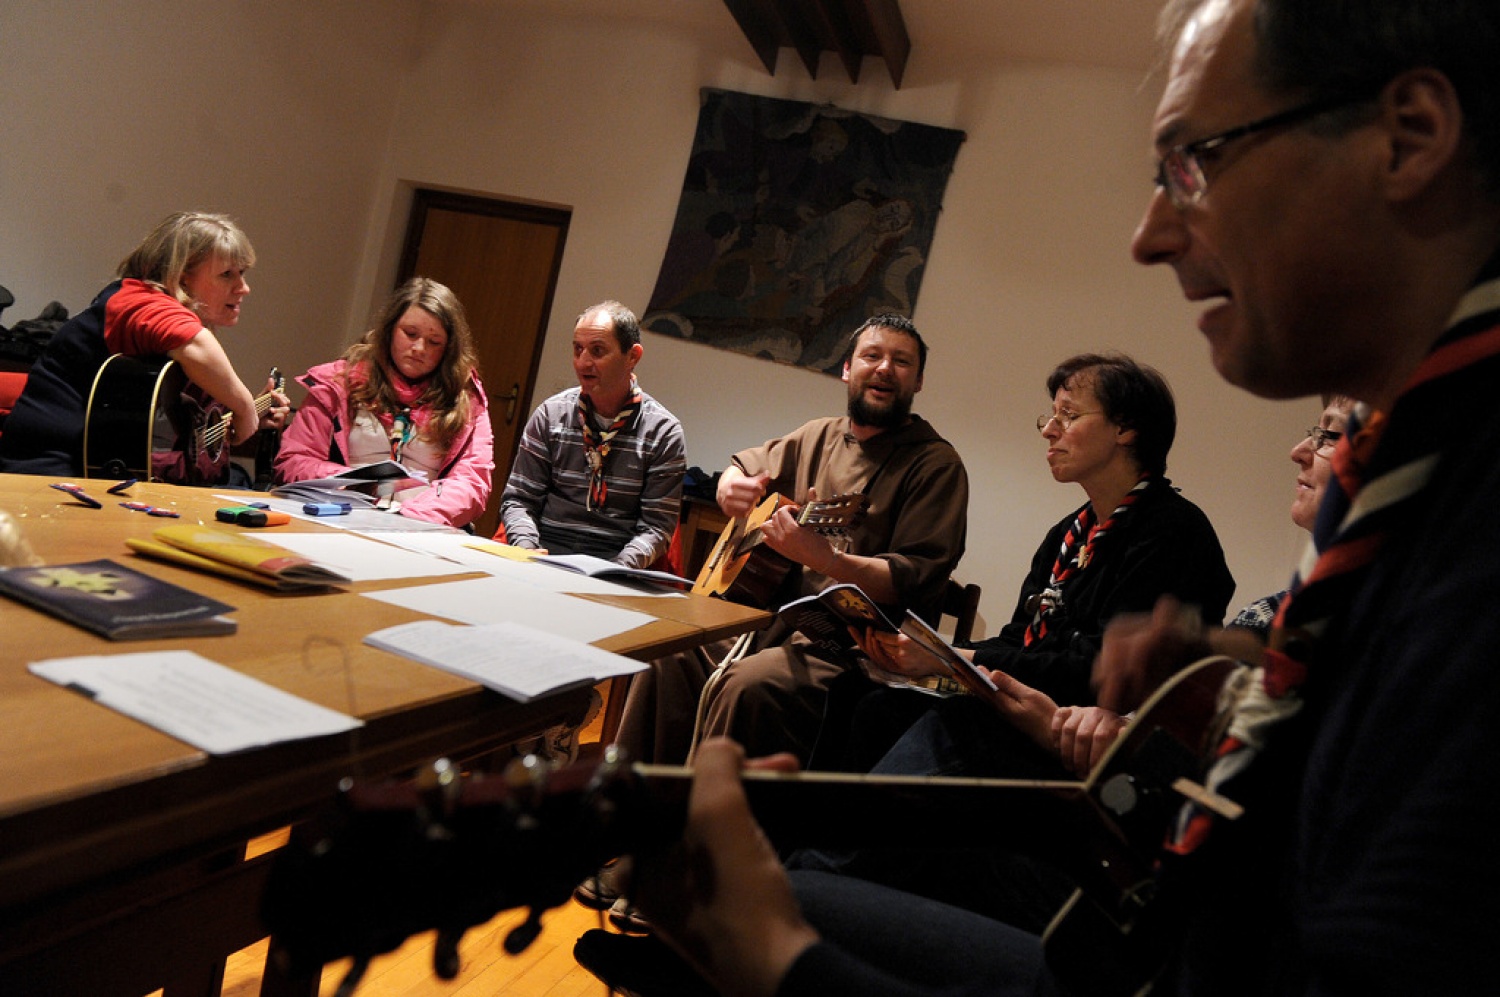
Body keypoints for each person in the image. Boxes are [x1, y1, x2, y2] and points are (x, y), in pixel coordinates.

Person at [580, 0, 1500, 994]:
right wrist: (1226, 673)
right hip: (1152, 926)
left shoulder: (1456, 532)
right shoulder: (1402, 487)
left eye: (1194, 163)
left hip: (1141, 918)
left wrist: (779, 965)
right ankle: (654, 865)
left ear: (1409, 137)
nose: (1150, 234)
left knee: (822, 826)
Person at [784, 352, 1234, 935]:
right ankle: (835, 885)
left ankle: (804, 891)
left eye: (1069, 415)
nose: (1049, 430)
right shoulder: (1068, 534)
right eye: (1050, 416)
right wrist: (931, 656)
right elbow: (1023, 639)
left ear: (1125, 430)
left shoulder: (1172, 532)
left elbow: (1097, 670)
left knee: (959, 727)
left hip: (1086, 741)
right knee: (869, 700)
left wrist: (959, 657)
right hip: (1032, 710)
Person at [620, 312, 969, 769]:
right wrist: (729, 487)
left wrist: (827, 560)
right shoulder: (819, 434)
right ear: (848, 369)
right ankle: (629, 797)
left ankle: (712, 809)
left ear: (918, 381)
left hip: (857, 649)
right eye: (872, 356)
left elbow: (912, 580)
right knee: (670, 651)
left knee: (750, 685)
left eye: (901, 361)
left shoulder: (936, 465)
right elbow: (743, 468)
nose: (885, 368)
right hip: (775, 623)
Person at [0, 210, 288, 480]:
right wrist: (245, 408)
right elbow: (196, 342)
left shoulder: (164, 330)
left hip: (101, 473)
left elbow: (169, 439)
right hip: (47, 472)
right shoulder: (134, 301)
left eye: (243, 273)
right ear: (180, 277)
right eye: (227, 274)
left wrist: (241, 420)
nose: (243, 288)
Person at [274, 277, 493, 529]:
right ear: (389, 331)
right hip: (337, 518)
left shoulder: (467, 401)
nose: (419, 348)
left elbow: (472, 482)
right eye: (410, 334)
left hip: (420, 527)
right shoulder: (337, 383)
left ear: (448, 349)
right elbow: (294, 459)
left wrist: (414, 516)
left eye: (434, 342)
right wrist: (351, 482)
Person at [498, 300, 685, 567]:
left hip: (615, 559)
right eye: (578, 349)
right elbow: (519, 499)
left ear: (632, 356)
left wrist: (617, 569)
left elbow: (656, 528)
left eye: (597, 351)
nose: (583, 362)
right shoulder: (550, 415)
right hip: (545, 549)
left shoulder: (663, 433)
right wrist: (527, 550)